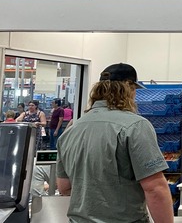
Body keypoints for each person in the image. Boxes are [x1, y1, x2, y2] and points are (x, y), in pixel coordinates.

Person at [56, 63, 173, 223]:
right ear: (129, 89)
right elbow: (155, 189)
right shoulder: (135, 126)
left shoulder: (71, 130)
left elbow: (64, 187)